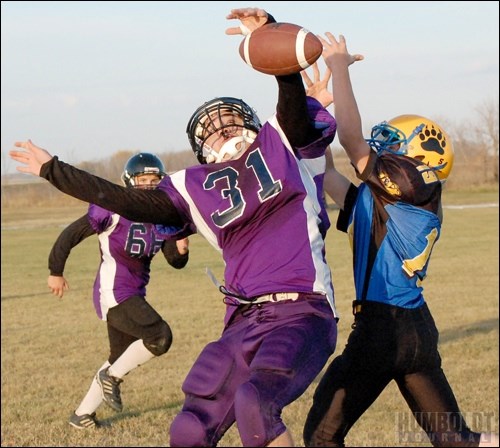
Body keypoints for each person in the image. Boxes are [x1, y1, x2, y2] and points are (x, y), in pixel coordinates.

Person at [9, 7, 339, 447]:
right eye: (212, 129)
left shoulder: (280, 140)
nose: (222, 129)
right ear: (201, 149)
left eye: (228, 120)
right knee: (190, 427)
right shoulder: (190, 186)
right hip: (243, 317)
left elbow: (288, 83)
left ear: (251, 121)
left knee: (255, 401)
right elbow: (121, 199)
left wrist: (269, 34)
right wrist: (55, 169)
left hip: (302, 308)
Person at [301, 34, 499, 447]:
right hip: (413, 328)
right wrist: (315, 110)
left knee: (321, 436)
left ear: (421, 162)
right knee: (456, 440)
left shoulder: (417, 186)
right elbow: (332, 175)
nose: (383, 150)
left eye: (393, 145)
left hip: (384, 327)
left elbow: (353, 143)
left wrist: (338, 67)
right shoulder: (389, 202)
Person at [47, 152, 190, 429]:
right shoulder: (112, 210)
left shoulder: (161, 214)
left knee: (118, 359)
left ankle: (82, 415)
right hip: (113, 291)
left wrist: (182, 248)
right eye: (143, 179)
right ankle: (110, 378)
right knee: (160, 337)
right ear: (129, 182)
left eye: (153, 179)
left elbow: (175, 260)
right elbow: (71, 234)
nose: (149, 184)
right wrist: (56, 271)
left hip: (135, 293)